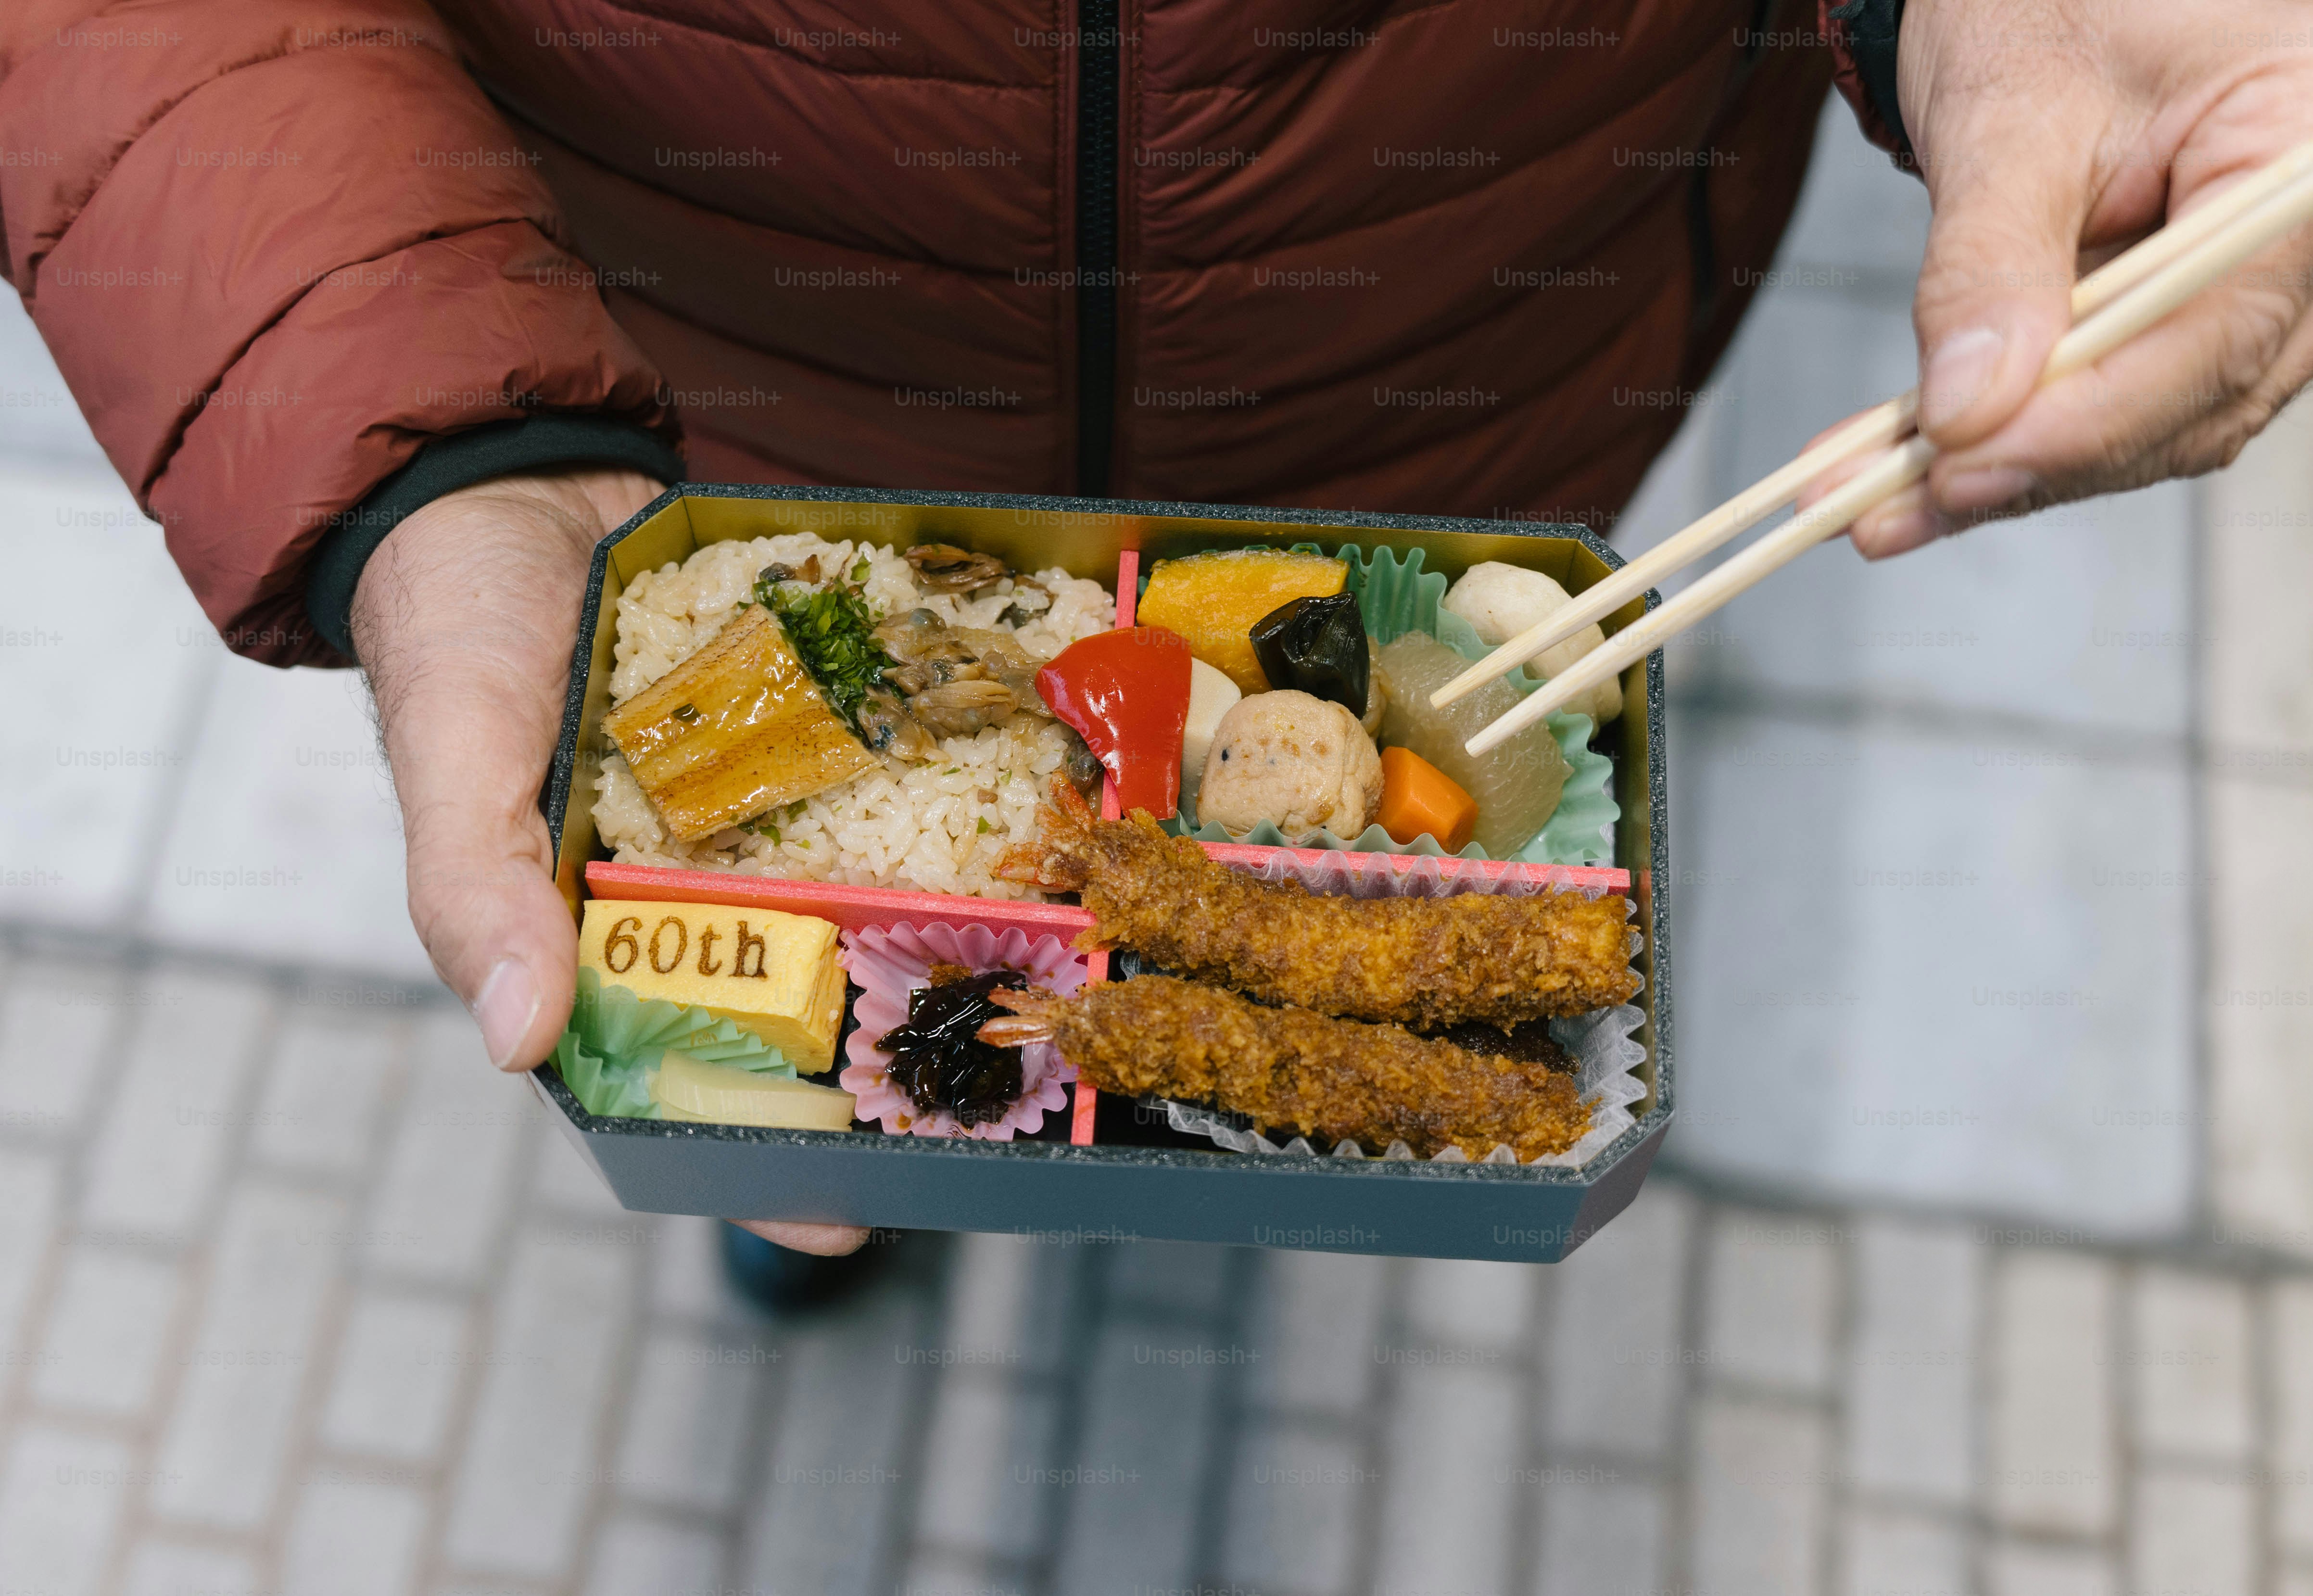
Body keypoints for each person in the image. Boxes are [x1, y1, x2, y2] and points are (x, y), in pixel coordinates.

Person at [8, 0, 2313, 1271]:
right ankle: (892, 1136)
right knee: (822, 932)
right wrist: (417, 427)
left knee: (1463, 675)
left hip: (1489, 295)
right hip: (702, 354)